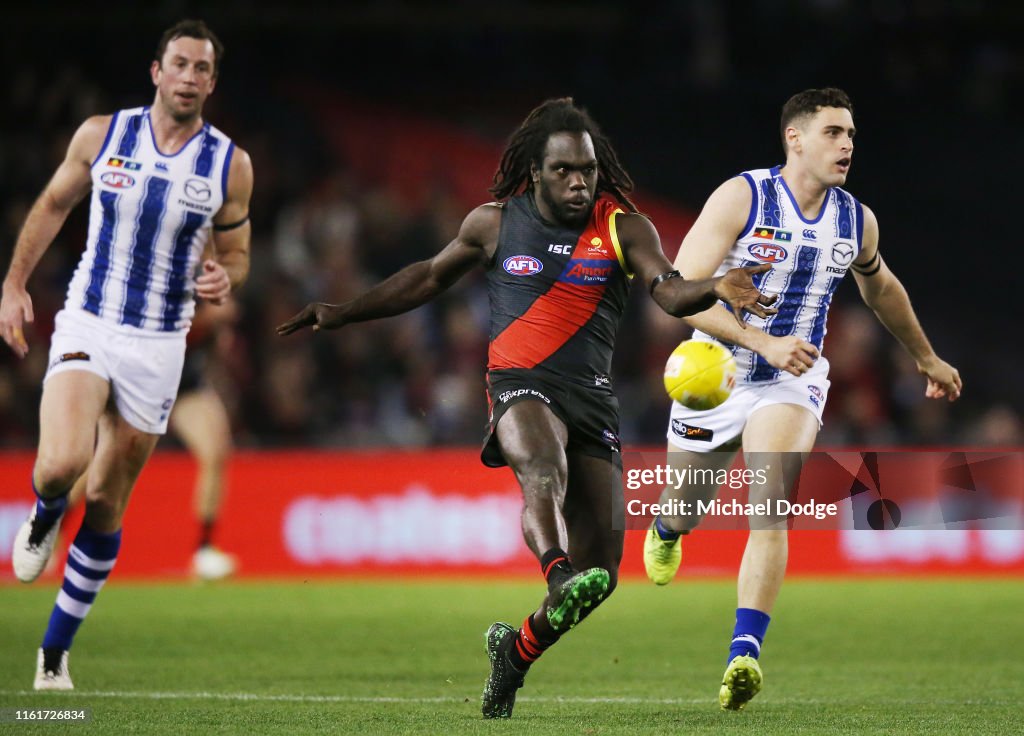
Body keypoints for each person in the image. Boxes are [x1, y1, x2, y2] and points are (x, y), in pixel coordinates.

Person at [277, 97, 778, 719]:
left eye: (587, 171)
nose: (578, 182)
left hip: (591, 398)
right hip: (518, 381)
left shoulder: (624, 226)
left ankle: (514, 653)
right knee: (542, 468)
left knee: (605, 578)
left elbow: (669, 291)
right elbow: (430, 276)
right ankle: (555, 569)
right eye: (564, 170)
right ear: (535, 172)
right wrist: (344, 311)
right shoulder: (493, 223)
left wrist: (715, 286)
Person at [641, 88, 962, 710]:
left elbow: (883, 288)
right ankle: (668, 526)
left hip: (793, 378)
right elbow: (679, 293)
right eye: (834, 133)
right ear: (795, 138)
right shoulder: (743, 196)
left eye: (851, 135)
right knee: (687, 503)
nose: (847, 145)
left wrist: (925, 356)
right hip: (714, 369)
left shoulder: (855, 219)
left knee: (771, 500)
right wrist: (759, 340)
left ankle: (744, 652)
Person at [1, 19, 252, 690]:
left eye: (202, 68)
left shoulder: (230, 164)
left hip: (161, 342)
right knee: (61, 463)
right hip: (91, 318)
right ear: (156, 71)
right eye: (180, 64)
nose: (190, 77)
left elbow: (237, 254)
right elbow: (54, 203)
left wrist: (227, 278)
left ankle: (53, 656)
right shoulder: (102, 134)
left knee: (109, 501)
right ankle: (46, 513)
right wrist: (14, 282)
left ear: (211, 83)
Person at [63, 298, 240, 581]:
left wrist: (218, 329)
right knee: (107, 462)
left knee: (215, 450)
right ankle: (52, 528)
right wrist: (209, 319)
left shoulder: (204, 271)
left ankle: (204, 550)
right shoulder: (160, 271)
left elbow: (222, 316)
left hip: (184, 384)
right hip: (140, 381)